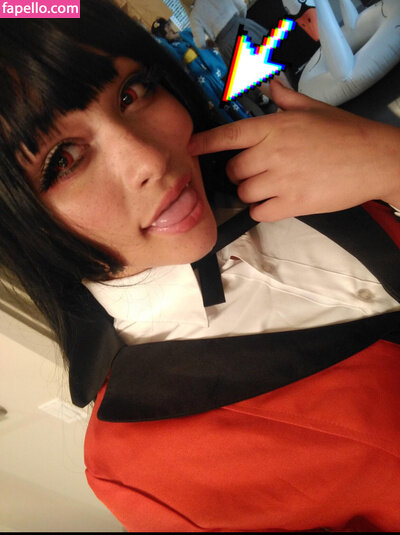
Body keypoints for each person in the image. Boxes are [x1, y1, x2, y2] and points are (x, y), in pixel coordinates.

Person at [1, 0, 400, 532]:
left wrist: (389, 162)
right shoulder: (140, 464)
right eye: (64, 161)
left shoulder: (288, 159)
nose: (150, 159)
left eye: (131, 93)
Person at [150, 17, 252, 122]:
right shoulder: (171, 48)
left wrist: (178, 35)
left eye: (169, 26)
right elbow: (163, 45)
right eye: (166, 31)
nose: (170, 30)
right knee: (220, 105)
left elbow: (196, 36)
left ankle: (246, 116)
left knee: (234, 98)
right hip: (203, 80)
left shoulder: (184, 35)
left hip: (213, 71)